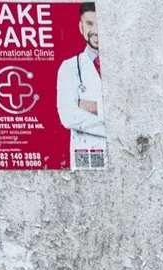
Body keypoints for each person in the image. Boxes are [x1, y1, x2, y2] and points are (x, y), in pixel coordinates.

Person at [54, 2, 104, 169]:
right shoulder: (69, 67)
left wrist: (95, 107)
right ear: (81, 27)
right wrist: (112, 125)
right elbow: (68, 116)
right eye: (90, 23)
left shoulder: (124, 64)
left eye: (100, 22)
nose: (96, 30)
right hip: (86, 155)